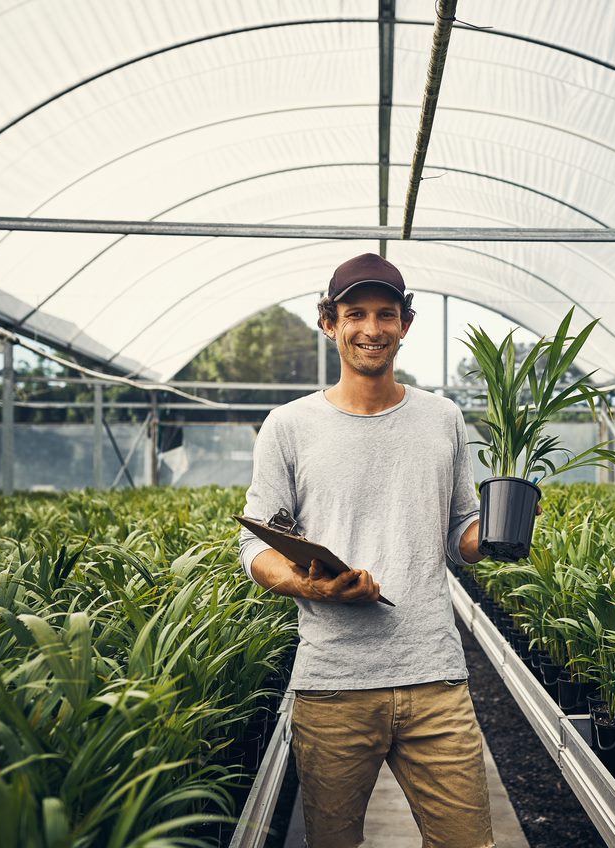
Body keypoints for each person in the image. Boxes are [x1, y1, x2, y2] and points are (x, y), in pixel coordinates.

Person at [239, 253, 495, 848]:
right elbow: (255, 544)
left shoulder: (443, 418)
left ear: (406, 324)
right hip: (332, 686)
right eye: (356, 313)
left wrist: (496, 535)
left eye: (386, 314)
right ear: (329, 322)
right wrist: (311, 585)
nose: (372, 328)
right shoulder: (288, 426)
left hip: (435, 679)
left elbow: (460, 530)